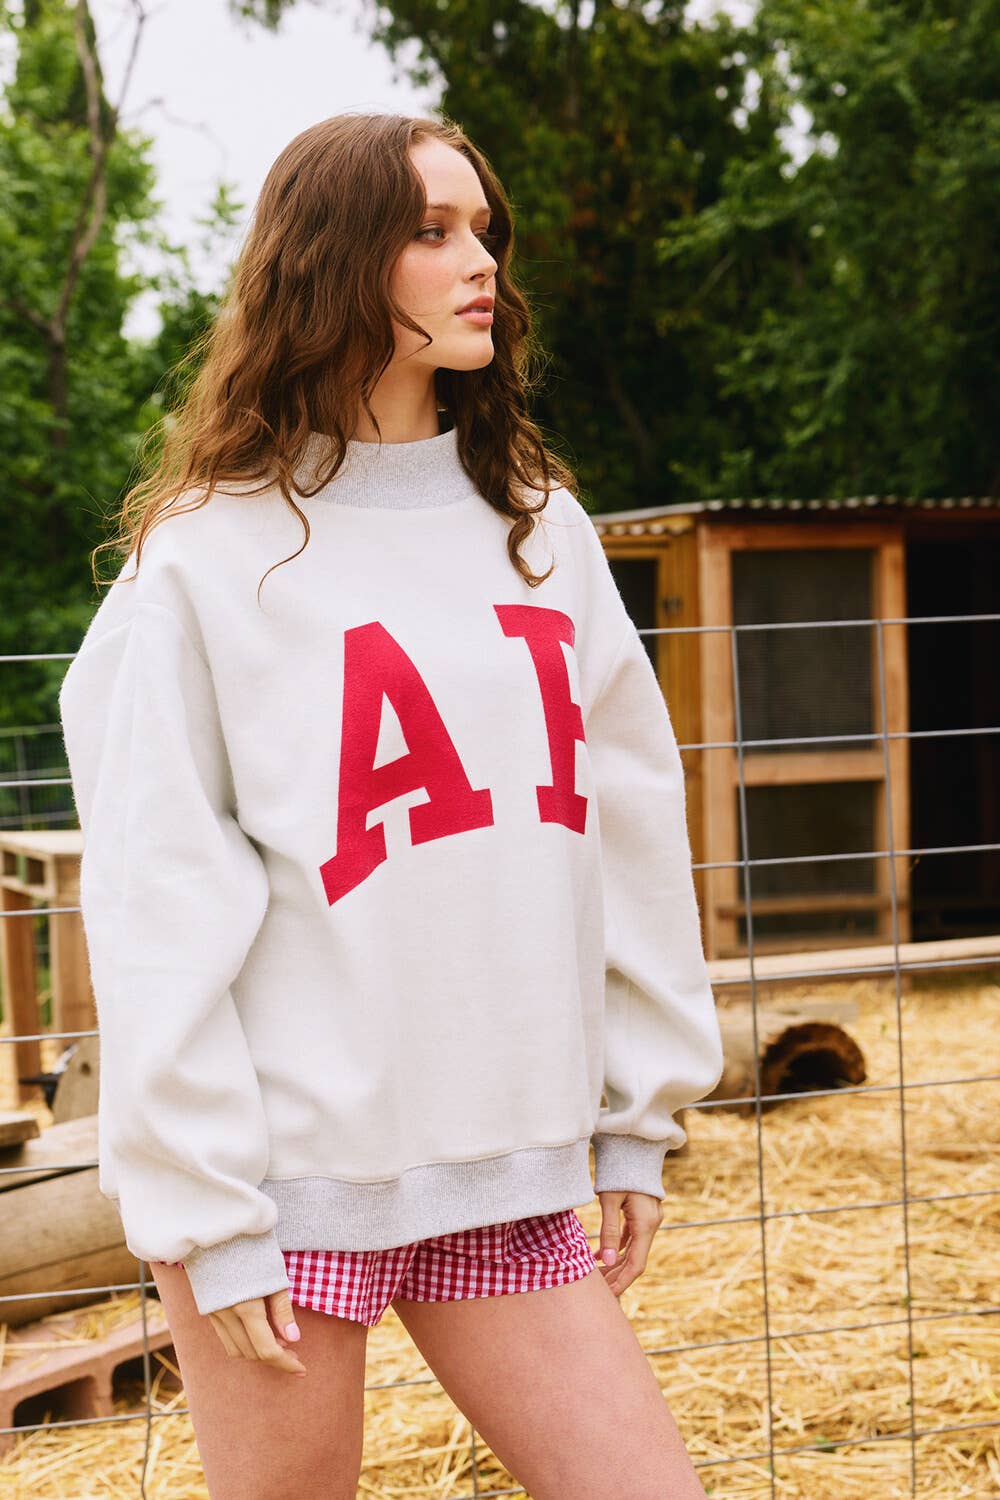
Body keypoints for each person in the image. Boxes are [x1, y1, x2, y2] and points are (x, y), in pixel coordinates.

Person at [58, 111, 724, 1500]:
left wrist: (632, 1115)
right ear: (334, 263)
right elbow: (155, 901)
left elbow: (633, 832)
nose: (479, 260)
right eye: (432, 232)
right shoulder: (208, 558)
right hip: (285, 1189)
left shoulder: (544, 526)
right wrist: (205, 1211)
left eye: (482, 228)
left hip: (512, 1163)